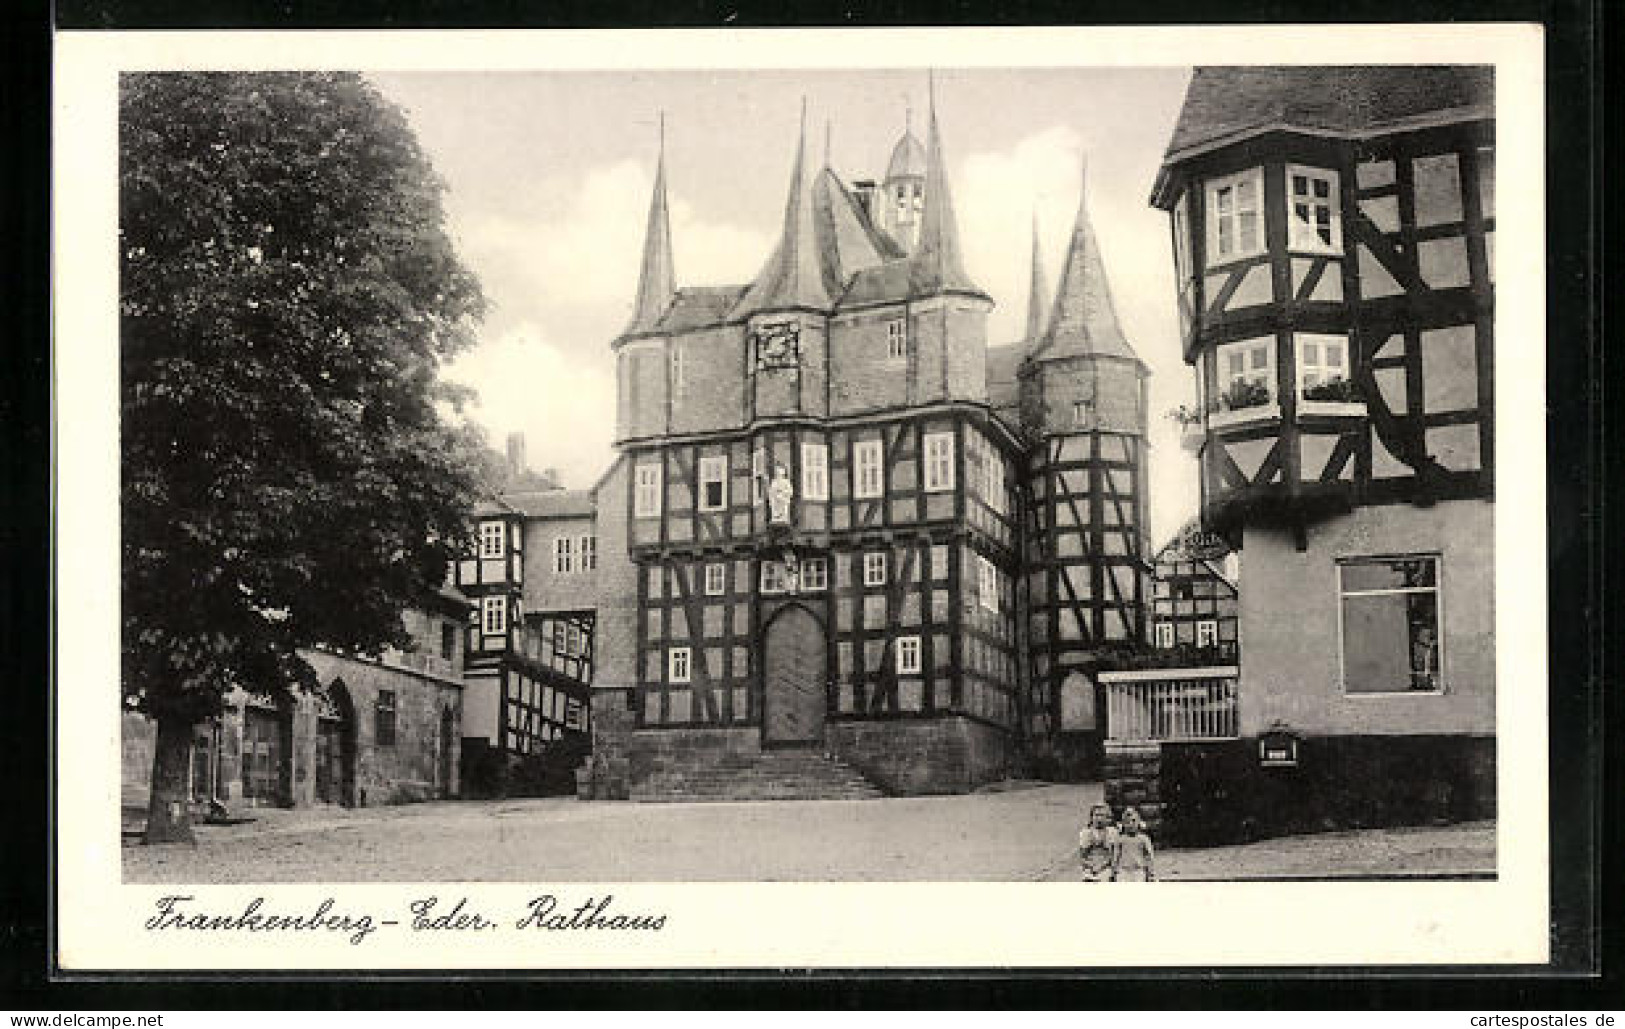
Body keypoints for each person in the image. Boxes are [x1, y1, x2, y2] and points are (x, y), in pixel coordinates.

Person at [1113, 806, 1156, 882]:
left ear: (1139, 822)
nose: (1131, 824)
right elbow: (1116, 855)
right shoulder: (1120, 839)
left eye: (1133, 821)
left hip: (1138, 870)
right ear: (1123, 824)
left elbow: (1149, 856)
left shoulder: (1143, 838)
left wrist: (1150, 873)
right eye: (1127, 822)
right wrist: (1114, 871)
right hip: (1123, 870)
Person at [1078, 802, 1118, 882]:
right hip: (1090, 867)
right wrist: (1091, 867)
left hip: (1106, 867)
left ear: (1107, 818)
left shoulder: (1112, 832)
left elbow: (1114, 854)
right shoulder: (1085, 833)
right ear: (1091, 817)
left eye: (1102, 815)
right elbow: (1083, 856)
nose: (1099, 818)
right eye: (1096, 815)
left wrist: (1111, 868)